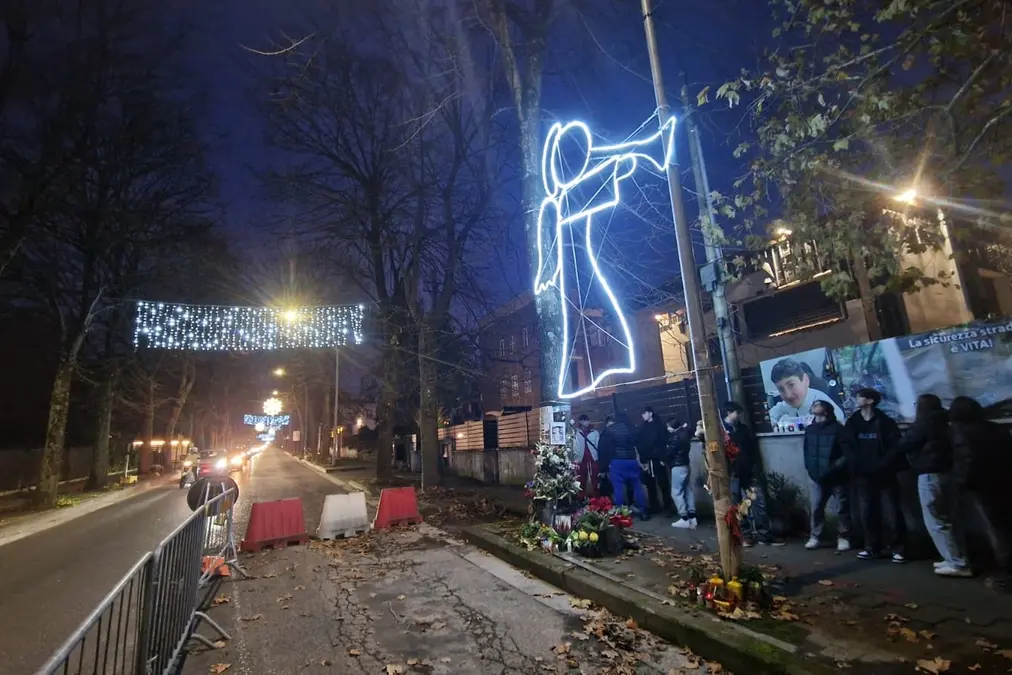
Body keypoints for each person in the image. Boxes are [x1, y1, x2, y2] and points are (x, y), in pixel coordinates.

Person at [897, 394, 969, 577]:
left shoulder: (924, 424)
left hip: (929, 472)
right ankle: (956, 557)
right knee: (949, 517)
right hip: (947, 472)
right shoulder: (945, 423)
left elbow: (905, 443)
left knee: (936, 519)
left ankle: (957, 563)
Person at [950, 396, 1012, 591]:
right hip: (1005, 483)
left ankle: (1008, 575)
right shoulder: (996, 428)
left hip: (984, 488)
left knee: (997, 531)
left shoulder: (962, 434)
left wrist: (961, 484)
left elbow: (968, 463)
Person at [840, 388, 906, 563]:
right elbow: (846, 443)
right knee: (867, 513)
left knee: (891, 512)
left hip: (884, 474)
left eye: (860, 397)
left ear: (870, 401)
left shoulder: (885, 422)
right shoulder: (853, 422)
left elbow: (895, 445)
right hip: (862, 475)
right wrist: (853, 462)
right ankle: (872, 547)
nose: (856, 400)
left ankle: (898, 548)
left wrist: (885, 464)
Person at [723, 402, 784, 546]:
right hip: (733, 473)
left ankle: (764, 535)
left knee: (759, 502)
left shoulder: (743, 429)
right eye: (737, 413)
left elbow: (752, 449)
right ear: (729, 412)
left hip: (748, 471)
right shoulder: (722, 432)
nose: (739, 416)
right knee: (738, 506)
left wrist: (754, 465)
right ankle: (746, 536)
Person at [802, 400, 851, 551]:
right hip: (817, 476)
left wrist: (835, 467)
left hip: (836, 476)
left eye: (818, 404)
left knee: (841, 508)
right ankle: (815, 536)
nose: (814, 406)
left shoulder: (838, 429)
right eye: (814, 404)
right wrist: (811, 468)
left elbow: (847, 453)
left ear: (826, 410)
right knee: (816, 507)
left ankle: (844, 537)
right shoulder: (810, 429)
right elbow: (807, 452)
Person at [598, 411, 648, 519]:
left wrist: (602, 467)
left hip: (617, 462)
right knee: (637, 486)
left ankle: (620, 513)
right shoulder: (631, 429)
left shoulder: (610, 430)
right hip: (632, 460)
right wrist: (643, 460)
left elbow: (603, 450)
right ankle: (643, 511)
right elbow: (640, 444)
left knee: (618, 488)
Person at [768, 358, 845, 426]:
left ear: (805, 380)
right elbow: (770, 416)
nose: (788, 395)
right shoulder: (786, 404)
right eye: (781, 389)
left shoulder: (825, 406)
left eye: (791, 385)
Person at [639, 406, 674, 516]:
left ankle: (668, 507)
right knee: (651, 486)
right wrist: (643, 460)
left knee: (663, 484)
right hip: (649, 460)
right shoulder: (644, 428)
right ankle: (655, 506)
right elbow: (642, 445)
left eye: (644, 413)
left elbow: (664, 443)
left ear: (650, 413)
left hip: (658, 460)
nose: (642, 415)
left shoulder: (659, 426)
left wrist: (663, 458)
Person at [666, 419, 696, 529]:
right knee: (688, 490)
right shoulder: (684, 435)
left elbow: (669, 452)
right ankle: (693, 517)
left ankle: (684, 518)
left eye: (668, 426)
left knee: (676, 492)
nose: (668, 429)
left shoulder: (675, 437)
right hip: (686, 465)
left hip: (677, 466)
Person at [572, 414, 600, 500]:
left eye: (588, 420)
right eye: (585, 420)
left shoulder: (594, 432)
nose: (587, 422)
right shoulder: (576, 432)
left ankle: (597, 498)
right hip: (581, 458)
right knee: (581, 478)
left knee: (595, 478)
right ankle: (581, 498)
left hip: (593, 458)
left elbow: (598, 444)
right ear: (580, 422)